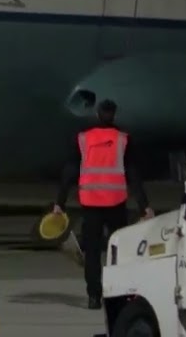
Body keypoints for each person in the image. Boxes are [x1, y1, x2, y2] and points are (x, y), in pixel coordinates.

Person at [52, 99, 154, 310]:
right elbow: (133, 175)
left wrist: (60, 202)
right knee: (119, 251)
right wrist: (144, 206)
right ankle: (119, 295)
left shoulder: (83, 139)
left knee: (92, 252)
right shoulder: (123, 139)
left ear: (98, 114)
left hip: (91, 203)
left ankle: (94, 296)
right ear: (114, 115)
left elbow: (69, 172)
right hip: (116, 203)